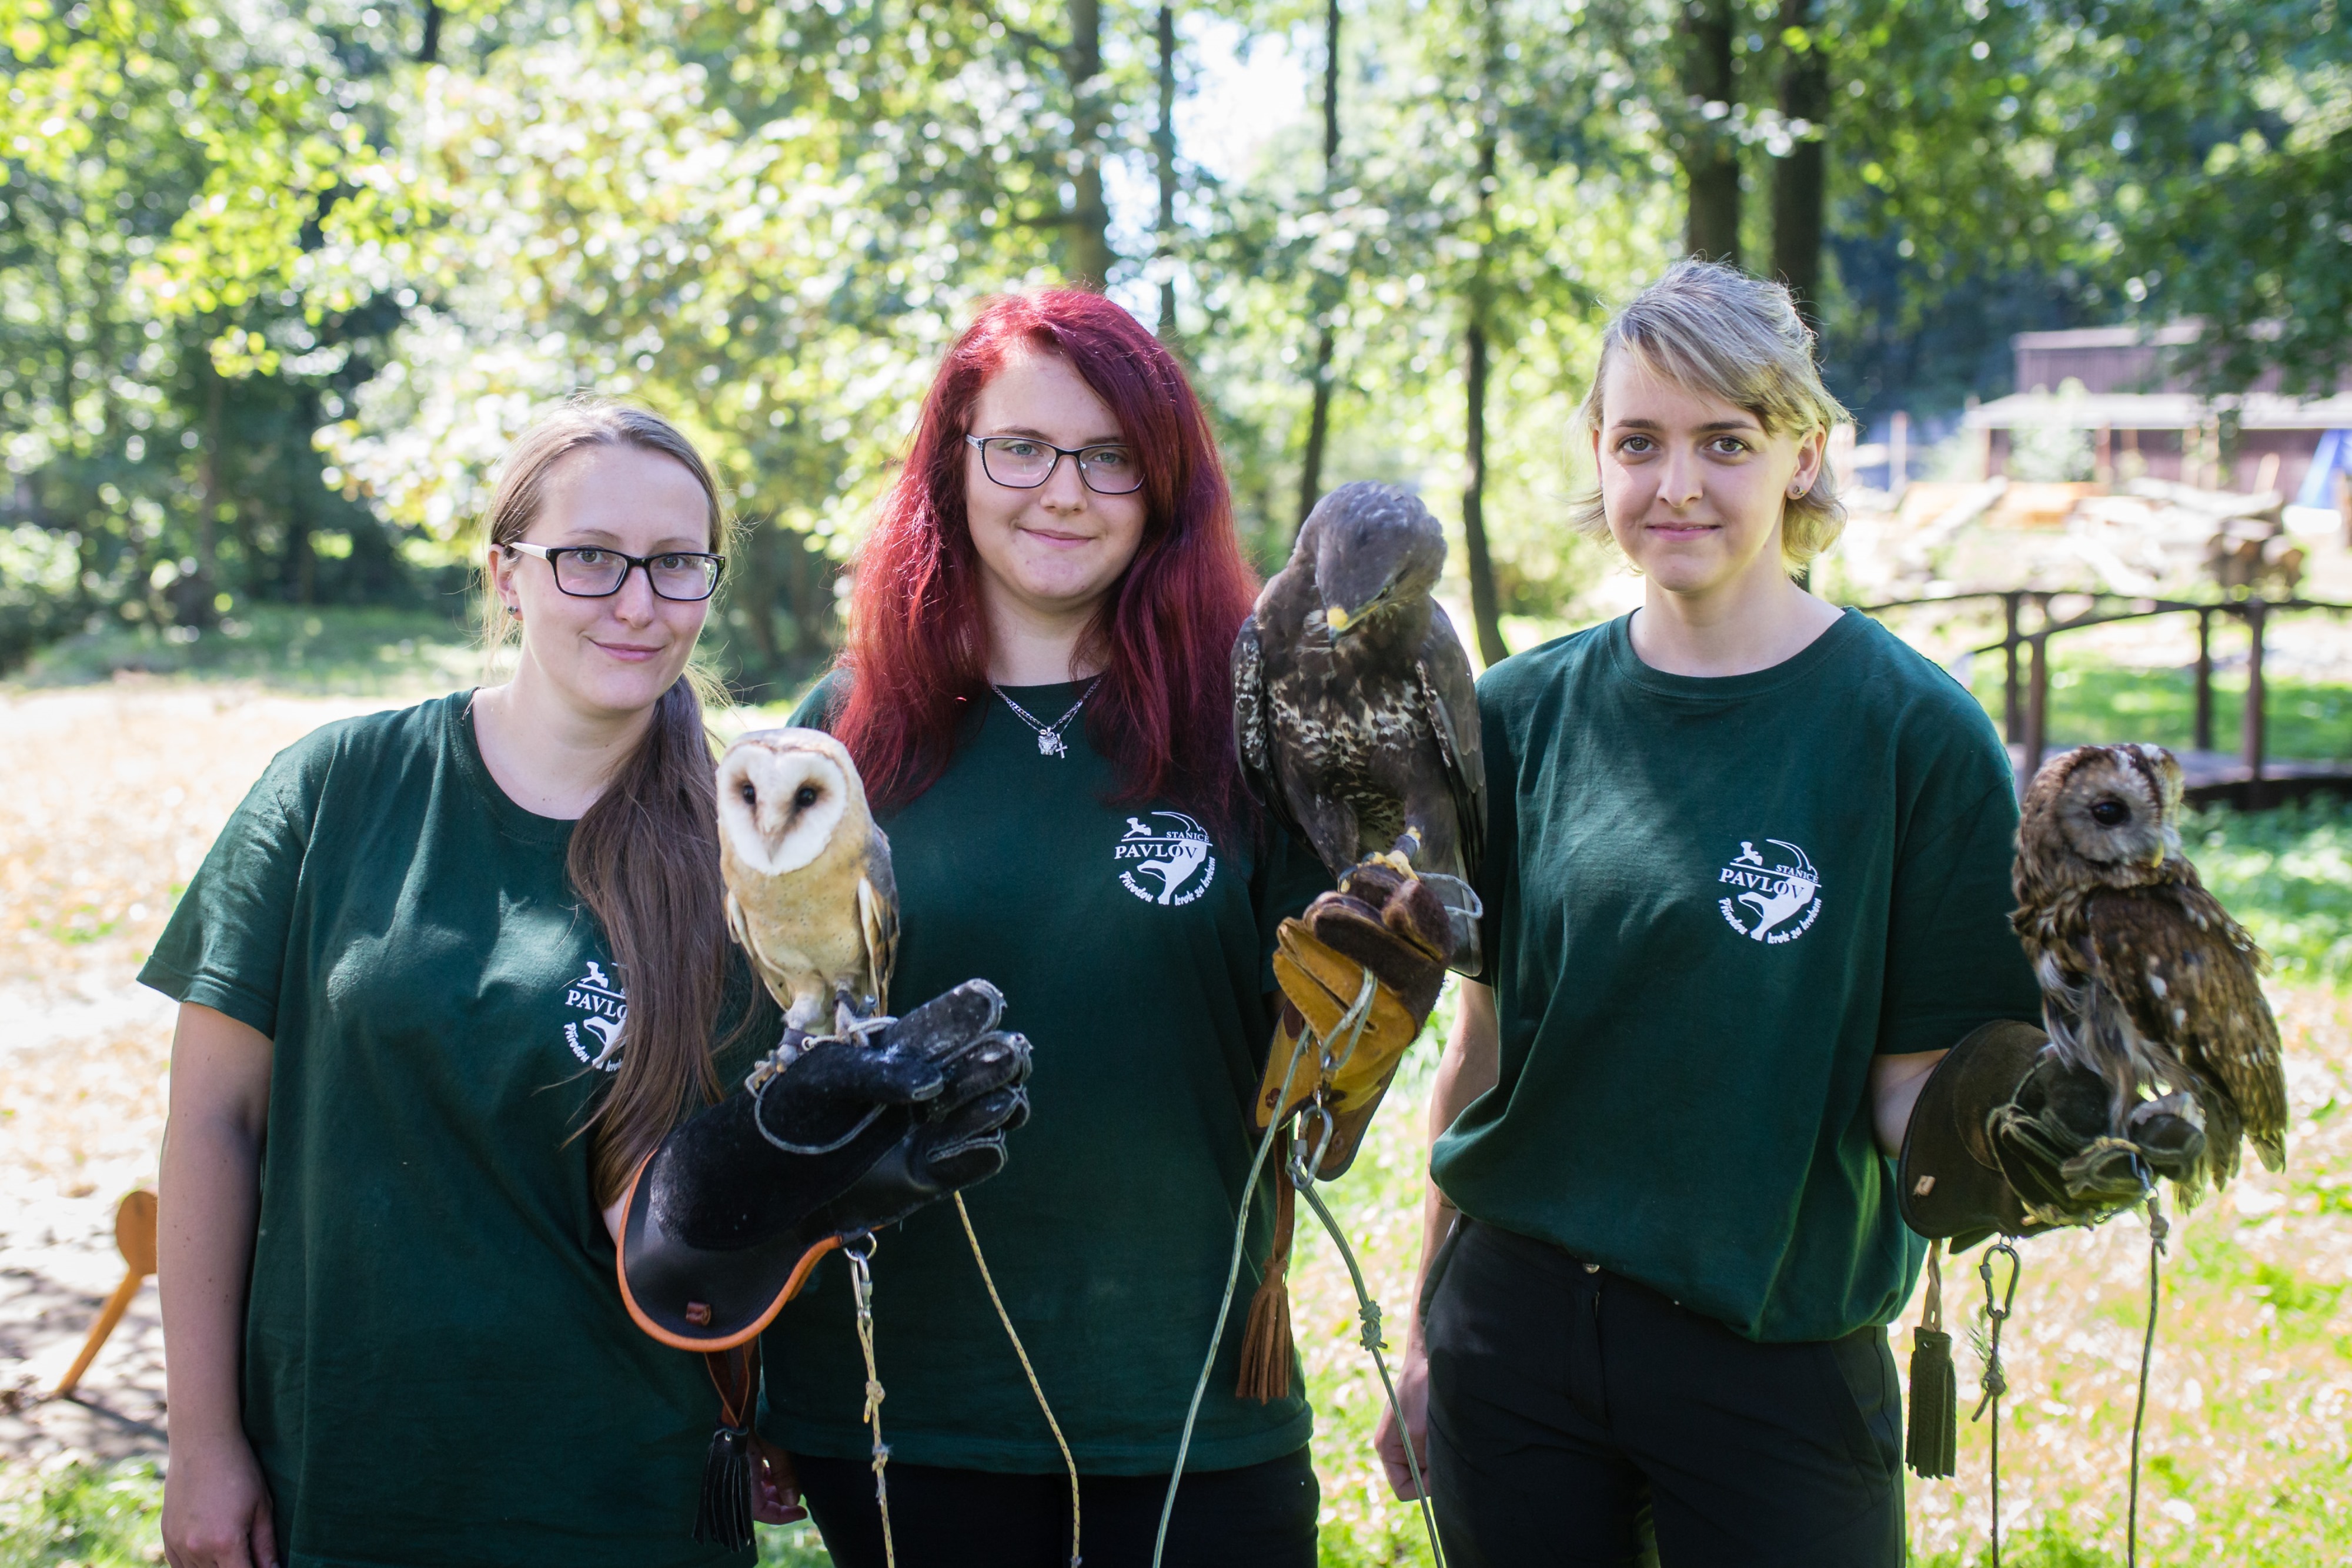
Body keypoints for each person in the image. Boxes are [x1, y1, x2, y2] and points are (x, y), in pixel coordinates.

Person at [146, 402, 1008, 1568]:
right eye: (591, 558)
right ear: (508, 573)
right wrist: (202, 1439)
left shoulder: (754, 850)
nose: (639, 603)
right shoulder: (337, 788)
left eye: (677, 563)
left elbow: (668, 1220)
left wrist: (804, 1186)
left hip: (624, 1492)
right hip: (340, 1474)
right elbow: (213, 1121)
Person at [1371, 260, 2048, 1567]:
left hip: (1774, 1349)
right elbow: (1484, 1050)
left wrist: (2027, 1136)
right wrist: (1423, 1335)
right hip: (1512, 1340)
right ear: (1598, 453)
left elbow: (1911, 1093)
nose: (1675, 483)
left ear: (1803, 455)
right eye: (1640, 441)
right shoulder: (1514, 718)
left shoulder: (1913, 734)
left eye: (1724, 442)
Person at [756, 290, 1434, 1568]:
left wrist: (1364, 1030)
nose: (1063, 492)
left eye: (1111, 455)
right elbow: (772, 1065)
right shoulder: (843, 734)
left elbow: (1335, 1041)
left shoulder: (1255, 725)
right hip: (901, 1400)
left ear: (1164, 485)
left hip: (1184, 1392)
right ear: (953, 465)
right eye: (1019, 447)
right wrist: (748, 1355)